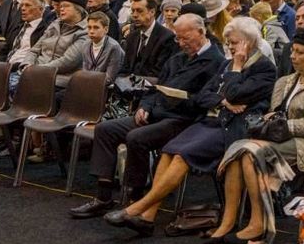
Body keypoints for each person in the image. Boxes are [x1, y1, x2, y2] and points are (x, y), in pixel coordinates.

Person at [102, 17, 277, 235]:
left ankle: (138, 207)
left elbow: (234, 92)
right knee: (167, 151)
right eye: (229, 43)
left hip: (231, 128)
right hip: (208, 121)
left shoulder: (264, 69)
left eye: (234, 43)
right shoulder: (226, 64)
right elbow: (202, 96)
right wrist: (222, 101)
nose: (230, 48)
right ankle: (148, 217)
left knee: (181, 154)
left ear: (249, 42)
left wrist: (236, 70)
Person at [69, 14, 225, 220]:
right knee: (105, 129)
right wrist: (145, 106)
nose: (180, 43)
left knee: (137, 138)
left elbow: (205, 100)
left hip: (183, 120)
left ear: (201, 32)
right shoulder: (178, 57)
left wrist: (181, 98)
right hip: (157, 112)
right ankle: (103, 196)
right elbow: (155, 88)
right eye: (177, 38)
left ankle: (136, 197)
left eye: (185, 38)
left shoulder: (216, 61)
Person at [208, 27, 304, 244]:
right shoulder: (288, 80)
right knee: (238, 150)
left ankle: (259, 222)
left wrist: (282, 126)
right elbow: (276, 112)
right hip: (288, 136)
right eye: (293, 51)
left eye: (299, 53)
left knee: (251, 154)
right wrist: (272, 120)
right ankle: (229, 220)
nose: (292, 56)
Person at [82, 11, 125, 83]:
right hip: (88, 84)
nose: (91, 31)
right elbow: (84, 71)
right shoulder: (85, 45)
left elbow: (110, 77)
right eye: (89, 27)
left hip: (105, 87)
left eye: (96, 27)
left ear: (106, 29)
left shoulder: (114, 47)